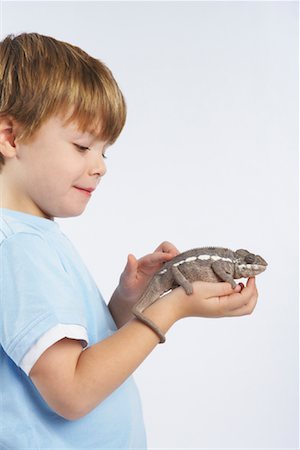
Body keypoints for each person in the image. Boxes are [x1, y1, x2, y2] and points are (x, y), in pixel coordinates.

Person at [0, 32, 258, 449]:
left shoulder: (34, 235)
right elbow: (71, 391)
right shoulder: (18, 249)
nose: (100, 166)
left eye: (105, 152)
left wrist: (125, 304)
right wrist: (169, 310)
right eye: (83, 146)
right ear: (11, 138)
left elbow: (75, 356)